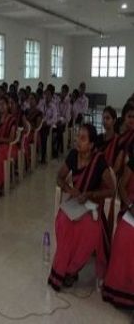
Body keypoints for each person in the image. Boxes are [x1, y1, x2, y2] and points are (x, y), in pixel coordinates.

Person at [48, 124, 115, 292]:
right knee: (63, 222)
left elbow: (112, 190)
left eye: (83, 138)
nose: (78, 140)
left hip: (91, 206)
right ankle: (61, 269)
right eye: (78, 136)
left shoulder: (99, 160)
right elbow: (59, 177)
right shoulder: (73, 155)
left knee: (89, 230)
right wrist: (71, 190)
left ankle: (71, 270)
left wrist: (90, 194)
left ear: (92, 145)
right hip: (75, 202)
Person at [102, 151, 134, 309]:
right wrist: (130, 206)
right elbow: (121, 186)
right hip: (132, 210)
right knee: (126, 236)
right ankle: (120, 291)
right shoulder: (132, 163)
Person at [114, 102, 134, 175]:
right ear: (124, 116)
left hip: (127, 166)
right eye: (129, 116)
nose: (132, 119)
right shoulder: (117, 125)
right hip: (113, 157)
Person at [39, 89, 58, 164]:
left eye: (48, 95)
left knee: (44, 135)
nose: (46, 96)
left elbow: (54, 119)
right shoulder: (42, 104)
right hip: (41, 124)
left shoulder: (53, 106)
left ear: (51, 96)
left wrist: (47, 123)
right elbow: (39, 113)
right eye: (45, 95)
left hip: (48, 126)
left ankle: (43, 156)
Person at [55, 84, 71, 156]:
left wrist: (61, 120)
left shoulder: (68, 103)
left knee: (60, 128)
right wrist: (58, 119)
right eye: (61, 91)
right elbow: (57, 112)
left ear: (67, 93)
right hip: (57, 120)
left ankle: (57, 147)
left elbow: (67, 117)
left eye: (64, 92)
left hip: (64, 123)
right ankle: (60, 144)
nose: (62, 93)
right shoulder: (58, 101)